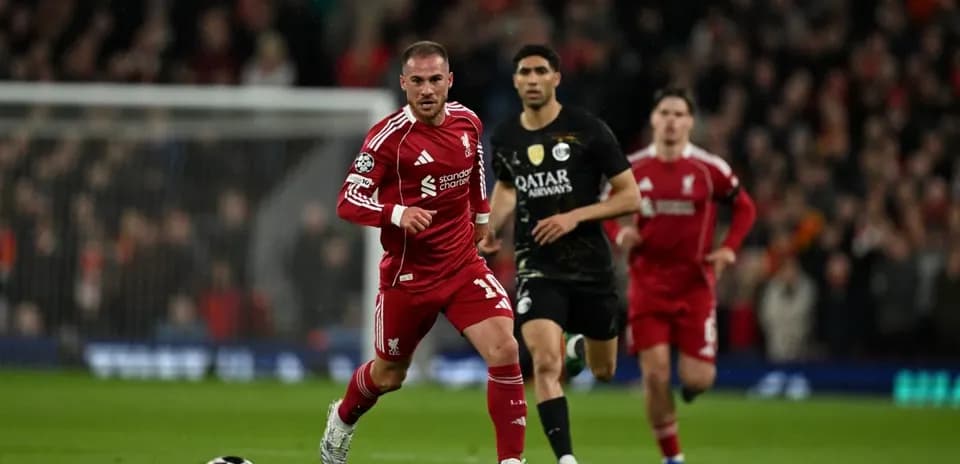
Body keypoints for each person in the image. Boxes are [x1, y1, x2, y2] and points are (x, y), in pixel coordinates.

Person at [321, 41, 527, 464]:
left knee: (505, 348)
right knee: (389, 375)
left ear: (449, 80)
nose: (427, 89)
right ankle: (342, 418)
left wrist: (482, 219)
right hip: (408, 278)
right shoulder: (387, 139)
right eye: (417, 81)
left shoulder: (467, 121)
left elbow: (475, 170)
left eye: (435, 80)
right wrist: (396, 213)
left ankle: (511, 461)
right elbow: (347, 201)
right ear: (403, 83)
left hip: (462, 266)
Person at [480, 44, 641, 464]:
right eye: (524, 72)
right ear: (515, 81)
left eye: (540, 71)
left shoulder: (588, 130)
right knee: (545, 364)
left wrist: (575, 217)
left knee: (604, 371)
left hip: (590, 266)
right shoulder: (505, 136)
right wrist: (490, 227)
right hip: (537, 266)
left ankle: (577, 350)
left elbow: (630, 196)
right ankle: (566, 458)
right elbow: (508, 185)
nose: (532, 79)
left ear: (556, 78)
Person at [605, 87, 757, 464]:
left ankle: (688, 390)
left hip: (695, 287)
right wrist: (619, 233)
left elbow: (745, 208)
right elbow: (604, 208)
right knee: (655, 375)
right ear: (653, 119)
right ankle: (672, 457)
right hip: (647, 285)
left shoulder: (709, 169)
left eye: (679, 114)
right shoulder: (633, 168)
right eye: (665, 113)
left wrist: (729, 248)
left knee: (698, 379)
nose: (671, 121)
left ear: (690, 122)